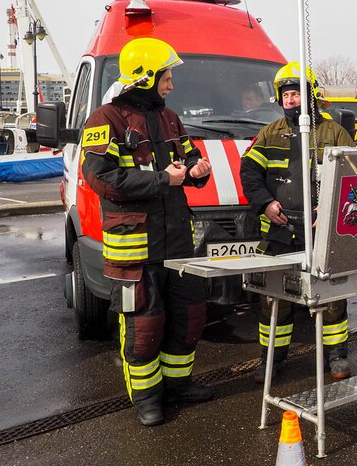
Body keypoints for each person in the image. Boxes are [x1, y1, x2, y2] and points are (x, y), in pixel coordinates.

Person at [81, 37, 214, 427]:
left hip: (178, 244)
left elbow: (187, 159)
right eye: (166, 77)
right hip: (134, 250)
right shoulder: (105, 119)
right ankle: (148, 399)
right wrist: (163, 180)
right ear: (144, 77)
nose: (171, 85)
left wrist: (196, 172)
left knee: (189, 317)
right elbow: (100, 178)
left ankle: (179, 385)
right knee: (144, 326)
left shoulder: (170, 118)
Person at [241, 61, 356, 384]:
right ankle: (271, 361)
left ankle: (337, 356)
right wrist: (265, 203)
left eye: (296, 94)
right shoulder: (270, 133)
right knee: (274, 299)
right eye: (286, 95)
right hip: (278, 232)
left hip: (323, 233)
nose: (291, 100)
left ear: (311, 95)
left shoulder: (335, 133)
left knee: (331, 297)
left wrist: (330, 209)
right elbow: (249, 171)